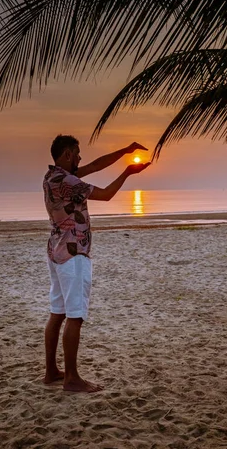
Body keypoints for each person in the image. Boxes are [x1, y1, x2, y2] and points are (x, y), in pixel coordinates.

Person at [43, 134, 150, 393]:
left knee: (57, 312)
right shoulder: (69, 181)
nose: (81, 158)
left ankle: (51, 371)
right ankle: (72, 378)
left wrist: (125, 150)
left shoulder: (51, 177)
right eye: (77, 154)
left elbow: (95, 166)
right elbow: (107, 194)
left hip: (56, 250)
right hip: (74, 252)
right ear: (67, 154)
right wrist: (127, 172)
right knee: (75, 315)